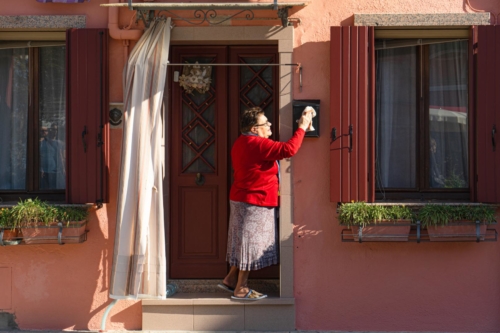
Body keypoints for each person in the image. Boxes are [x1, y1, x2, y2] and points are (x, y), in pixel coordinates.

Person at [219, 106, 313, 300]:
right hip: (255, 200)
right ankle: (241, 288)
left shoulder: (241, 142)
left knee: (242, 240)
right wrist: (303, 126)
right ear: (254, 128)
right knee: (251, 244)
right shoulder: (257, 144)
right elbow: (289, 149)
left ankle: (229, 279)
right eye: (265, 123)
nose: (270, 125)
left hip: (242, 198)